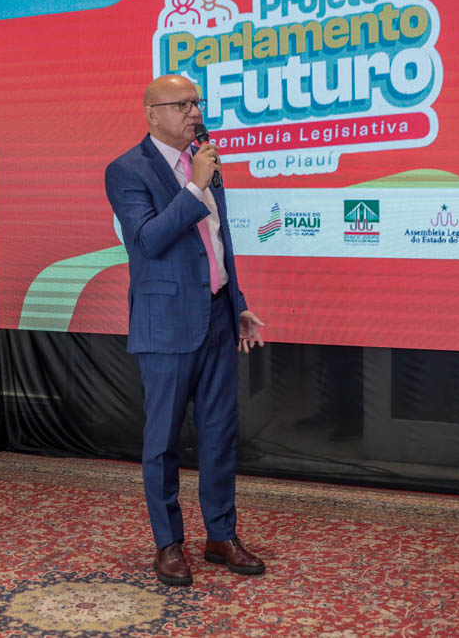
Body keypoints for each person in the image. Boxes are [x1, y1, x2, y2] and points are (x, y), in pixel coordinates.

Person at [104, 74, 266, 586]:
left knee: (220, 434)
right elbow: (149, 240)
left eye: (196, 103)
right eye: (182, 105)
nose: (194, 113)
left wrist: (237, 303)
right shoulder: (126, 170)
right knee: (163, 442)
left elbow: (218, 242)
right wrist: (195, 184)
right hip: (166, 326)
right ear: (152, 114)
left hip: (218, 317)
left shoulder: (205, 162)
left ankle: (221, 534)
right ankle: (168, 543)